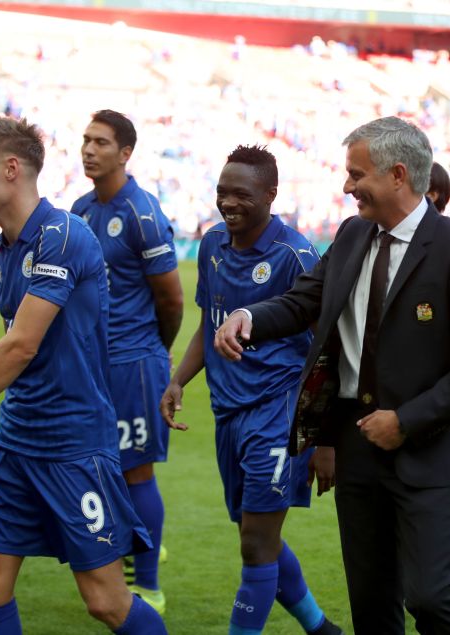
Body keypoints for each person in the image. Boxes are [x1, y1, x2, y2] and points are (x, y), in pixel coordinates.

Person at [214, 117, 450, 634]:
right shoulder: (354, 235)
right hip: (358, 450)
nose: (347, 186)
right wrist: (251, 317)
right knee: (372, 605)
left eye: (357, 174)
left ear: (398, 175)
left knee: (431, 598)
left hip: (430, 452)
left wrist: (407, 420)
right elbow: (305, 299)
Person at [0, 116, 166, 634]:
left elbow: (19, 346)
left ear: (11, 169)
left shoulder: (64, 235)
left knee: (105, 600)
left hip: (74, 444)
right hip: (16, 443)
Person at [160, 145, 341, 635]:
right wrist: (179, 380)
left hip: (279, 413)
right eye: (222, 192)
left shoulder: (294, 255)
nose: (228, 203)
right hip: (229, 411)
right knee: (255, 534)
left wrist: (325, 438)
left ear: (270, 195)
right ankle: (321, 628)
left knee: (257, 543)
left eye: (241, 193)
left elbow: (329, 347)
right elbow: (210, 322)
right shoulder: (213, 244)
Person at [71, 110, 183, 613]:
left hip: (133, 363)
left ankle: (149, 585)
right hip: (90, 364)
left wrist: (151, 352)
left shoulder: (141, 212)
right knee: (97, 470)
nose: (89, 149)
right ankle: (115, 569)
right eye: (86, 140)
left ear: (125, 153)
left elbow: (172, 300)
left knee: (135, 473)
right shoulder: (79, 208)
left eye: (101, 142)